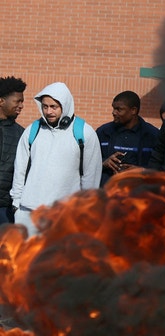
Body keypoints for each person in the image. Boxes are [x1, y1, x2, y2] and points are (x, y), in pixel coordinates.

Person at [10, 82, 101, 236]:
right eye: (45, 106)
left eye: (54, 107)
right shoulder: (32, 130)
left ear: (65, 105)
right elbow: (20, 169)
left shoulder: (85, 132)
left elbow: (91, 176)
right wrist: (17, 205)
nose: (48, 111)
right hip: (29, 213)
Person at [96, 91, 160, 186]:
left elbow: (164, 167)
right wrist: (104, 162)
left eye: (119, 109)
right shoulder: (103, 132)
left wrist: (142, 171)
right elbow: (87, 161)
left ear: (133, 110)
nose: (113, 112)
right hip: (108, 192)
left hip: (139, 194)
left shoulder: (153, 135)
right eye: (113, 108)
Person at [0, 77, 26, 225]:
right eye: (18, 101)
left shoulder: (23, 135)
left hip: (5, 210)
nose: (21, 106)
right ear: (1, 101)